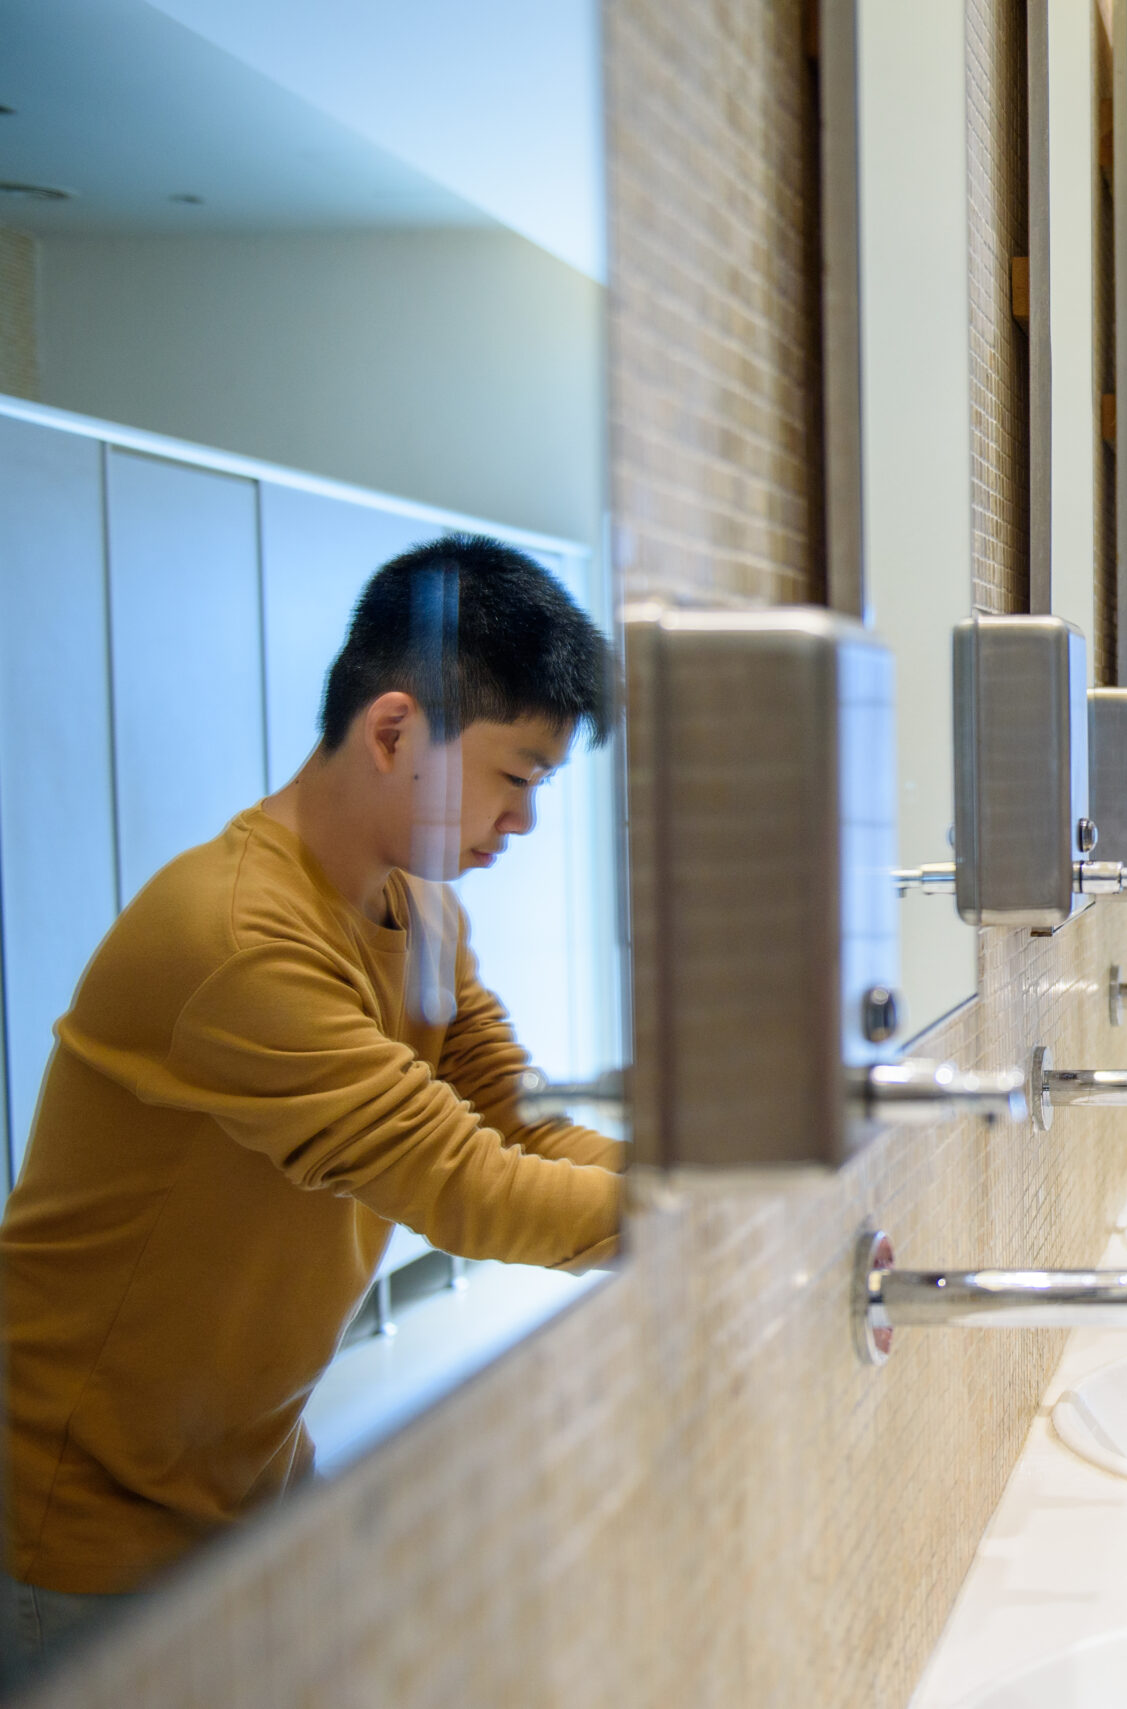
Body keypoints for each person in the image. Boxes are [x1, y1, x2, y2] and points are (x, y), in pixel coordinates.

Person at [0, 536, 623, 1677]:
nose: (525, 820)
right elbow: (468, 1186)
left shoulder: (421, 913)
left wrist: (697, 1181)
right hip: (77, 1515)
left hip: (249, 1474)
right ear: (393, 732)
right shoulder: (235, 937)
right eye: (518, 775)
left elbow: (517, 1125)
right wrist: (697, 1212)